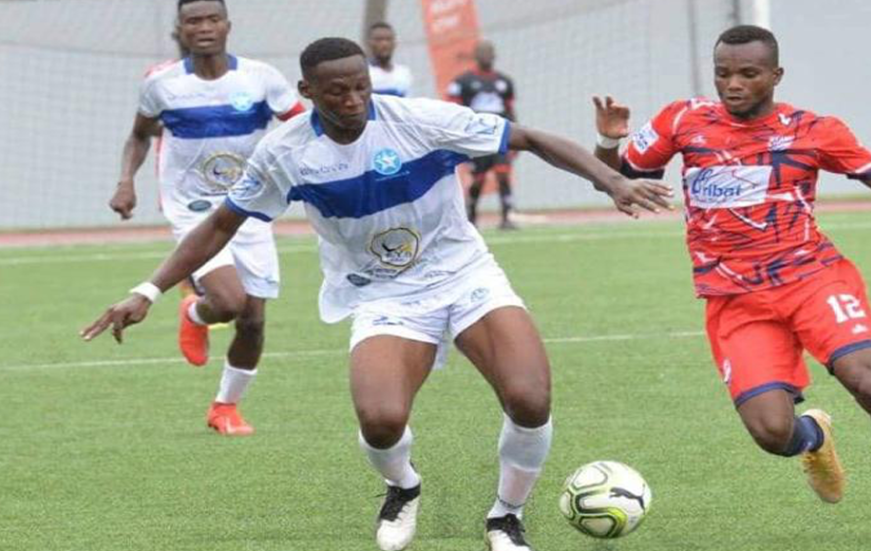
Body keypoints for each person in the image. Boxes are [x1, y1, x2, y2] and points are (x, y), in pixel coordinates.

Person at [83, 37, 672, 551]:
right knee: (382, 419)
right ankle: (402, 487)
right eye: (336, 91)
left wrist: (613, 180)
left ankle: (506, 517)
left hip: (465, 275)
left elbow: (529, 138)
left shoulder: (419, 119)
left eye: (360, 86)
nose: (352, 100)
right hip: (383, 294)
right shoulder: (286, 152)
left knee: (529, 398)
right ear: (306, 90)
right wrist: (149, 290)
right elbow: (219, 225)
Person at [591, 25, 871, 539]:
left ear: (775, 75)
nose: (732, 84)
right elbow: (616, 179)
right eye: (723, 73)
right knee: (771, 432)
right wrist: (609, 140)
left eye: (748, 73)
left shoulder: (814, 130)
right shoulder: (682, 120)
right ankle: (814, 438)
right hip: (735, 300)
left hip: (812, 279)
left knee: (865, 378)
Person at [107, 0, 305, 435]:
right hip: (192, 206)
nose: (203, 28)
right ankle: (200, 309)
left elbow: (300, 127)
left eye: (212, 19)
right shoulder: (162, 84)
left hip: (250, 204)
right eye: (193, 22)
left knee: (252, 321)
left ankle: (223, 406)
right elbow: (139, 136)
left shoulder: (260, 78)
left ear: (227, 25)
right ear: (180, 30)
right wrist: (126, 181)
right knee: (232, 301)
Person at [447, 40, 519, 229]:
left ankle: (507, 216)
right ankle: (471, 217)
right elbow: (454, 110)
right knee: (478, 179)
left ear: (494, 56)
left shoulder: (504, 82)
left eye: (489, 52)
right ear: (476, 56)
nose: (486, 56)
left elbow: (510, 110)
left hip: (501, 136)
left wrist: (516, 138)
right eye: (482, 53)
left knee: (503, 174)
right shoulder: (462, 82)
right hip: (476, 138)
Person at [366, 21, 414, 97]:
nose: (384, 44)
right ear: (369, 43)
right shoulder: (364, 72)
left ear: (395, 43)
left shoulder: (403, 73)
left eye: (388, 39)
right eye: (379, 39)